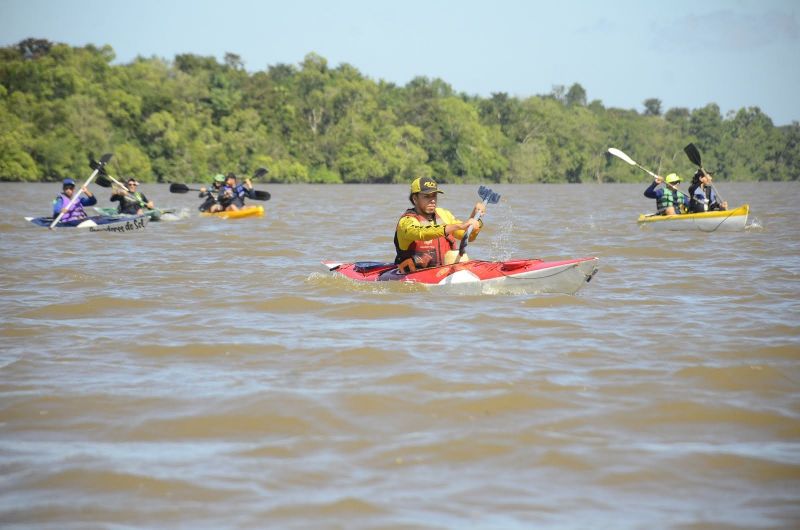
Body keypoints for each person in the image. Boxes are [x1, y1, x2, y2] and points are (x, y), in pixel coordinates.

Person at [393, 176, 484, 273]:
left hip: (444, 272)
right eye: (427, 196)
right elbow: (421, 233)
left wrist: (475, 218)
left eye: (434, 196)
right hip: (413, 275)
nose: (432, 200)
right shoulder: (406, 221)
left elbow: (467, 237)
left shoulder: (443, 214)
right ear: (415, 198)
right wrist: (458, 226)